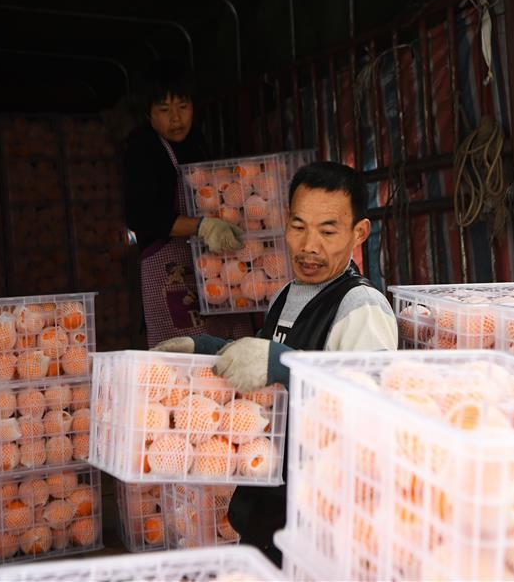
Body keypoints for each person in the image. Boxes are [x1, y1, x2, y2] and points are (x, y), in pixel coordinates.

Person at [153, 161, 398, 564]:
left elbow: (371, 408)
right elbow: (264, 376)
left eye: (328, 231)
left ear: (359, 233)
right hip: (270, 510)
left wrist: (283, 363)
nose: (309, 245)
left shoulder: (362, 307)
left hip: (322, 522)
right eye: (299, 227)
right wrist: (209, 349)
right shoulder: (286, 295)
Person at [123, 63, 254, 348]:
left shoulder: (197, 141)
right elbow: (141, 216)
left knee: (232, 353)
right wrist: (203, 227)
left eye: (183, 107)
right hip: (170, 275)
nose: (176, 118)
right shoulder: (142, 147)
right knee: (183, 357)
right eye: (164, 110)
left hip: (215, 273)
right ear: (148, 113)